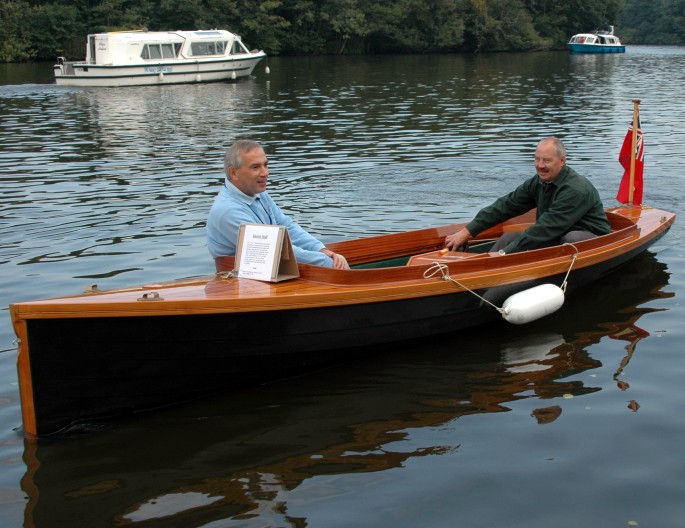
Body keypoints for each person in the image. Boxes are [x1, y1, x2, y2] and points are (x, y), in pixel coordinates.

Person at [444, 137, 611, 254]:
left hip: (592, 239)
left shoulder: (575, 189)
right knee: (509, 238)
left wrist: (505, 253)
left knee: (572, 239)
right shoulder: (538, 182)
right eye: (537, 159)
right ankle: (483, 270)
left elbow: (546, 227)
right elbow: (506, 205)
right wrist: (468, 231)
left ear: (562, 161)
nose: (540, 165)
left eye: (547, 160)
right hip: (556, 235)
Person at [207, 139, 349, 269]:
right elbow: (275, 251)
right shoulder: (227, 211)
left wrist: (320, 249)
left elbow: (287, 227)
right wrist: (328, 262)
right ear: (233, 173)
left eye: (265, 165)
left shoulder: (258, 193)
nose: (265, 173)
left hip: (270, 272)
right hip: (240, 282)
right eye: (255, 167)